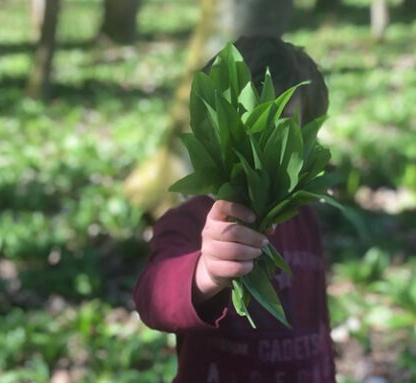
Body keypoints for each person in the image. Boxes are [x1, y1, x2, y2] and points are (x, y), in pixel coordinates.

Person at [133, 36, 336, 383]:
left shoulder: (304, 219)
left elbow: (318, 323)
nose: (267, 146)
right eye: (252, 128)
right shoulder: (189, 222)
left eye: (287, 129)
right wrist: (205, 272)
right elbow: (153, 299)